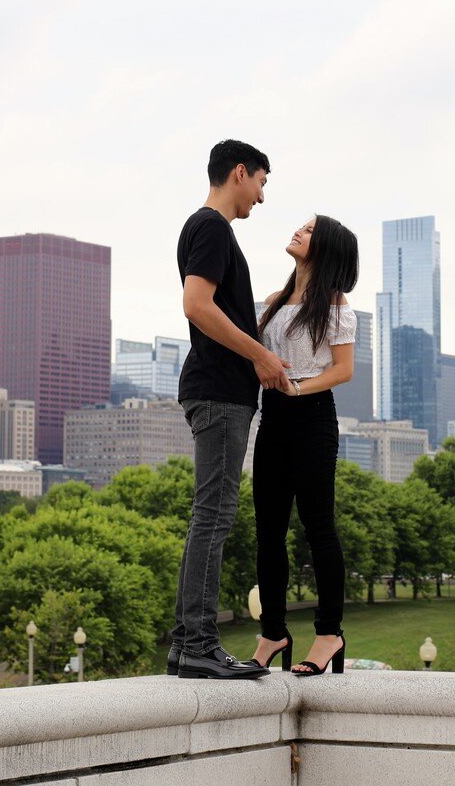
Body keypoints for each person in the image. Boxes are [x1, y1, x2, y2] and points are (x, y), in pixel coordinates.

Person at [167, 139, 290, 681]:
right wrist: (261, 354)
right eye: (262, 183)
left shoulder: (205, 230)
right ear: (240, 173)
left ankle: (186, 645)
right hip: (219, 393)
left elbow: (220, 307)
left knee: (210, 517)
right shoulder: (213, 228)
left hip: (218, 391)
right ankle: (197, 643)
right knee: (212, 518)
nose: (261, 198)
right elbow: (196, 305)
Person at [247, 214, 359, 677]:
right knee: (268, 531)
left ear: (327, 247)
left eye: (310, 230)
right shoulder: (274, 302)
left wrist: (296, 387)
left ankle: (329, 634)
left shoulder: (334, 304)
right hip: (271, 417)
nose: (298, 230)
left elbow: (342, 370)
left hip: (311, 418)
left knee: (319, 528)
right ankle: (273, 631)